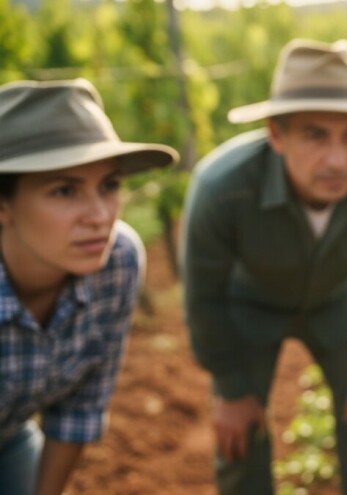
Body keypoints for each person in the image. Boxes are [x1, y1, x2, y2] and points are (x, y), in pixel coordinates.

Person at [180, 39, 347, 495]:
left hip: (337, 300)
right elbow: (203, 296)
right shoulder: (222, 187)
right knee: (240, 438)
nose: (337, 160)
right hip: (248, 306)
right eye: (315, 136)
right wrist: (230, 388)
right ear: (276, 134)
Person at [0, 79, 178, 495]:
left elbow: (79, 411)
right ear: (3, 205)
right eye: (65, 191)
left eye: (109, 185)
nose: (99, 216)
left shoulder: (117, 263)